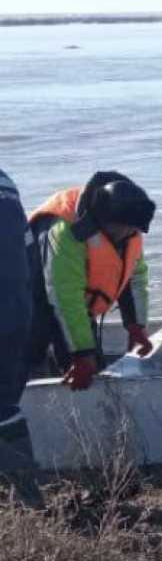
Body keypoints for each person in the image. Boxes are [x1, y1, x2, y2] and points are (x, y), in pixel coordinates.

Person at [24, 171, 157, 392]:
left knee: (93, 370)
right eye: (124, 229)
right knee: (31, 355)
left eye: (133, 230)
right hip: (32, 296)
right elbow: (64, 295)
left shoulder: (130, 227)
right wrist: (82, 354)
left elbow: (134, 277)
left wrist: (136, 326)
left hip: (77, 304)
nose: (129, 234)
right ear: (106, 221)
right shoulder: (66, 230)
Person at [0, 169, 33, 471]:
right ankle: (29, 497)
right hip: (18, 308)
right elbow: (28, 248)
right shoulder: (7, 183)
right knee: (5, 404)